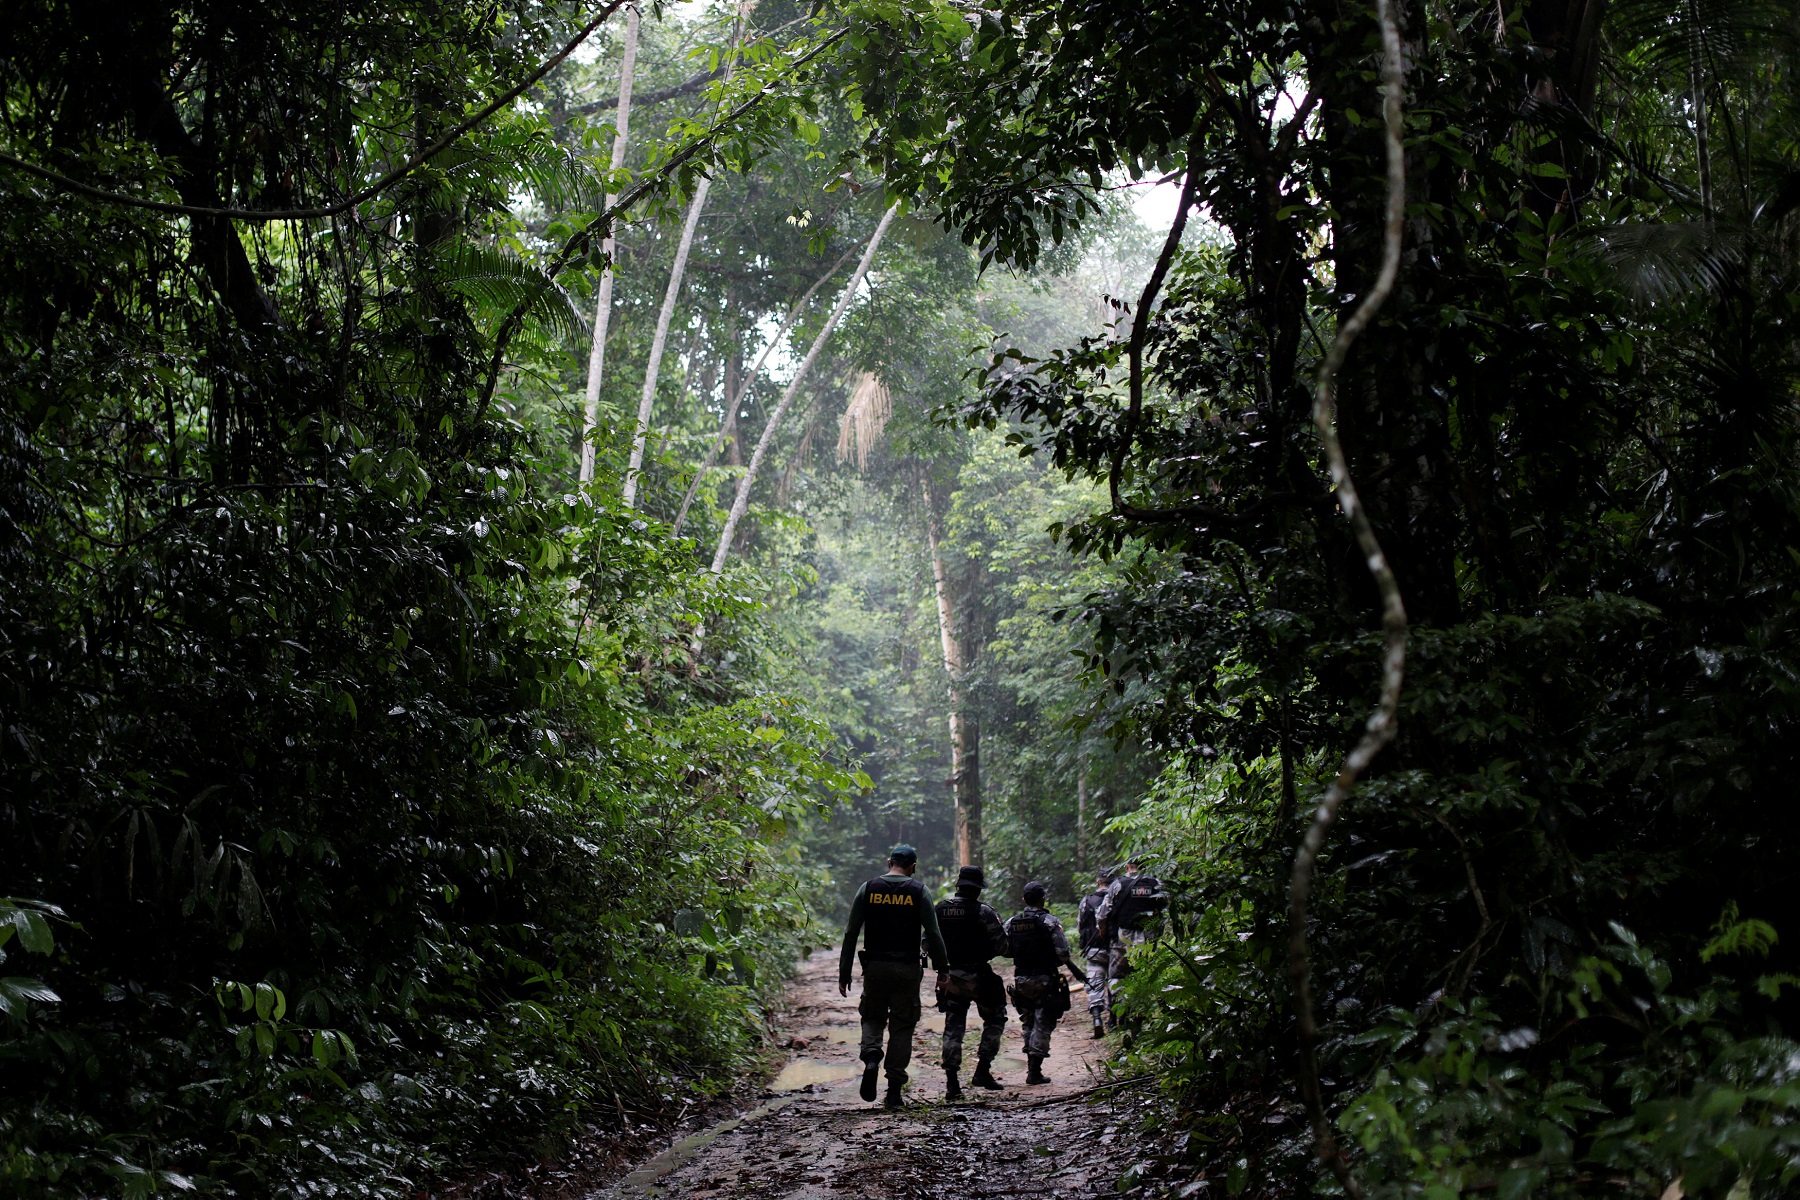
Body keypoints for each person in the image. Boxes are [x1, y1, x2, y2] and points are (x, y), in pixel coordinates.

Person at [839, 844, 949, 1108]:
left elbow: (851, 933)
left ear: (889, 862)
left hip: (875, 968)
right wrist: (942, 968)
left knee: (873, 1016)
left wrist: (844, 972)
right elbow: (933, 933)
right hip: (907, 970)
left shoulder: (867, 888)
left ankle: (872, 1055)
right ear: (913, 867)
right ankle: (894, 1091)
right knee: (902, 1026)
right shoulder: (919, 891)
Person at [933, 865, 1011, 1100]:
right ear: (977, 890)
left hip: (951, 977)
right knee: (996, 1018)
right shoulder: (984, 912)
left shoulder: (940, 910)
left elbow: (927, 943)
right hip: (978, 975)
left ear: (959, 887)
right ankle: (982, 1070)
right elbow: (1003, 946)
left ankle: (952, 1084)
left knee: (953, 1027)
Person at [1004, 880, 1083, 1085]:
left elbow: (1004, 948)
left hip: (1021, 977)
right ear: (1043, 899)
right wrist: (1054, 961)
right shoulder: (1049, 921)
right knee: (1043, 1020)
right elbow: (1063, 952)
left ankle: (1032, 1065)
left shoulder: (1012, 922)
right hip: (1044, 978)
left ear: (1024, 900)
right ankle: (1034, 1070)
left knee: (1028, 1020)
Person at [1096, 855, 1165, 1021]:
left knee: (1117, 976)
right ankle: (1142, 1013)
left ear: (1127, 866)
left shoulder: (1117, 884)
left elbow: (1102, 914)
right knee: (1144, 975)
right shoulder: (1155, 884)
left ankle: (1120, 1010)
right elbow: (1163, 910)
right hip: (1147, 940)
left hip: (1122, 939)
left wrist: (1103, 932)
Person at [1075, 869, 1114, 1038]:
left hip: (1094, 948)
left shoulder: (1087, 900)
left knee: (1095, 983)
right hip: (1115, 948)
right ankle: (1113, 1019)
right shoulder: (1117, 898)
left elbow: (1080, 924)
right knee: (1116, 982)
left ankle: (1097, 1019)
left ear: (1098, 882)